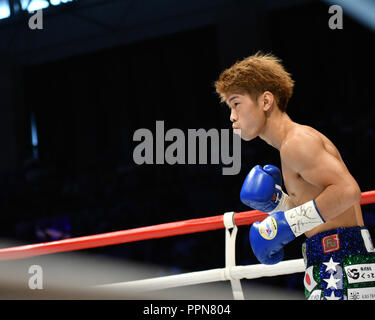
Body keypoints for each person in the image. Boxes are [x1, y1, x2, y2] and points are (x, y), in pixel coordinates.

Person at [215, 52, 375, 300]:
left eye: (236, 103)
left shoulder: (297, 142)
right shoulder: (289, 147)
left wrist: (286, 225)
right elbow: (322, 211)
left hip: (341, 262)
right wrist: (279, 204)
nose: (232, 116)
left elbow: (348, 192)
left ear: (265, 101)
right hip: (332, 260)